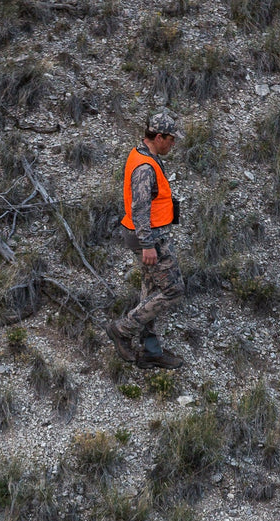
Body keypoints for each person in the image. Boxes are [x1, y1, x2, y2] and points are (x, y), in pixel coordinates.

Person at [106, 109, 186, 370]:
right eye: (171, 139)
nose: (173, 144)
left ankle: (151, 350)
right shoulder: (144, 167)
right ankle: (122, 329)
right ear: (159, 137)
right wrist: (148, 244)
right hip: (151, 236)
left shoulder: (143, 155)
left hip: (147, 234)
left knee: (150, 292)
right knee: (173, 290)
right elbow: (140, 208)